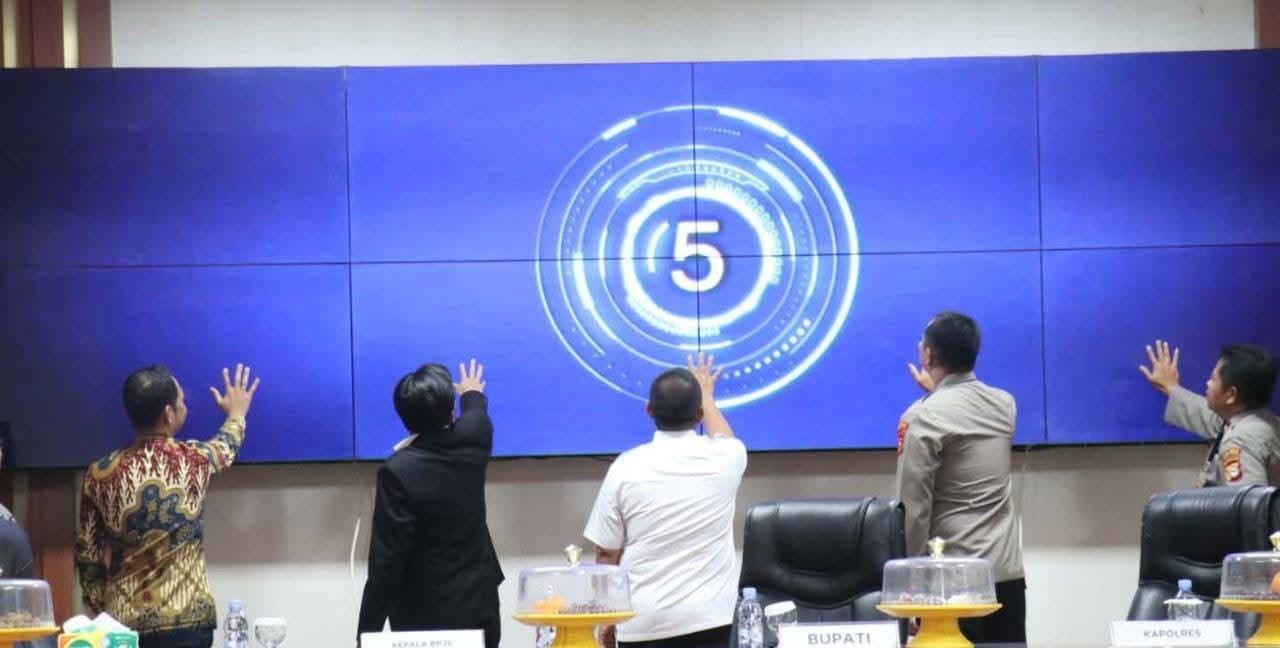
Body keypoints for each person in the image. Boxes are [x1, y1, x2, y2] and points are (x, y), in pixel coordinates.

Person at [76, 363, 260, 648]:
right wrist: (236, 413)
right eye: (181, 401)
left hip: (123, 627)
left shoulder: (98, 474)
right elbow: (227, 445)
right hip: (188, 624)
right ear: (168, 413)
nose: (185, 406)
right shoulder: (196, 460)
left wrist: (105, 613)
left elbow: (88, 555)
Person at [584, 354, 746, 648]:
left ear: (649, 410)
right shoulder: (727, 458)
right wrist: (707, 396)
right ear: (699, 415)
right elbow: (724, 435)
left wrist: (607, 616)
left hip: (644, 624)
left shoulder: (625, 467)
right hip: (712, 620)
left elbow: (607, 553)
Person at [898, 312, 1025, 643]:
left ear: (927, 355)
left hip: (950, 586)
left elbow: (914, 511)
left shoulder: (922, 417)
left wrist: (910, 588)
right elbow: (966, 421)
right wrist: (938, 394)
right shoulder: (1005, 405)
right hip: (1005, 578)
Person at [357, 360, 503, 648]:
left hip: (422, 620)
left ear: (404, 417)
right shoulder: (475, 439)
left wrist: (365, 635)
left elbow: (387, 562)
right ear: (450, 411)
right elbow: (475, 412)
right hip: (479, 608)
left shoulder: (398, 471)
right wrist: (471, 391)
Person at [1140, 340, 1280, 486]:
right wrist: (1171, 388)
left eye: (1213, 379)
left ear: (1231, 395)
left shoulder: (1241, 441)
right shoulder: (1260, 421)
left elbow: (1247, 499)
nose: (1208, 383)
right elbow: (1209, 418)